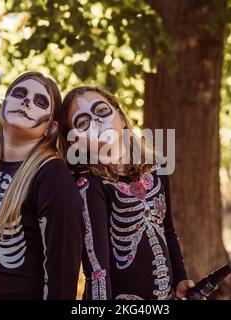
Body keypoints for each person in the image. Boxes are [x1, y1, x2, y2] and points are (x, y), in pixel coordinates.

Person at [58, 85, 194, 300]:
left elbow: (168, 231)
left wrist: (180, 281)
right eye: (83, 122)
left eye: (101, 111)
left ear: (120, 117)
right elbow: (97, 271)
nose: (96, 121)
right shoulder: (90, 186)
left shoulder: (156, 168)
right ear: (76, 142)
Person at [0, 72, 83, 300]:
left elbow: (63, 268)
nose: (26, 101)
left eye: (40, 102)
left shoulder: (52, 175)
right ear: (1, 108)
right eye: (19, 94)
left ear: (51, 127)